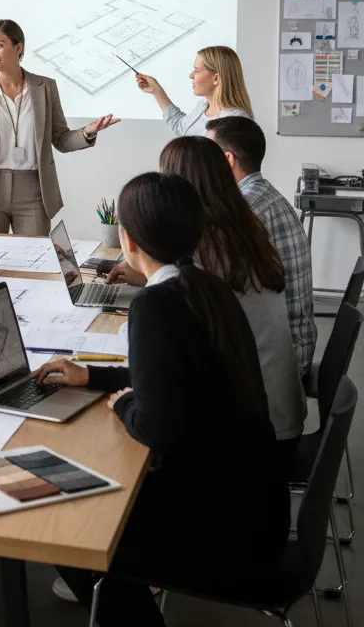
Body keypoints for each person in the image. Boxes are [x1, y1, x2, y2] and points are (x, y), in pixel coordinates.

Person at [37, 172, 289, 626]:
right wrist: (92, 375)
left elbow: (158, 427)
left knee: (70, 526)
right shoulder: (205, 286)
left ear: (126, 239)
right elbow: (171, 373)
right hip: (255, 506)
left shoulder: (154, 305)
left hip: (219, 532)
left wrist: (124, 404)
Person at [109, 136, 305, 448]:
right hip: (265, 414)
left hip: (248, 431)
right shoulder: (239, 227)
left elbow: (160, 348)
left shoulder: (208, 253)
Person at [0, 18, 118, 235]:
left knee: (34, 262)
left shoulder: (45, 87)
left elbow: (61, 140)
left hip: (34, 191)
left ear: (19, 48)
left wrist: (88, 132)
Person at [206, 115, 316, 374]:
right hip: (294, 342)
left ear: (227, 160)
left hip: (280, 360)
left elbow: (211, 284)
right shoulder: (264, 193)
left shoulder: (246, 208)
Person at [133, 44, 252, 136]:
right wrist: (156, 90)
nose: (191, 75)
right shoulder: (204, 106)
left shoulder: (235, 121)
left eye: (196, 70)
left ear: (215, 78)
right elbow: (181, 127)